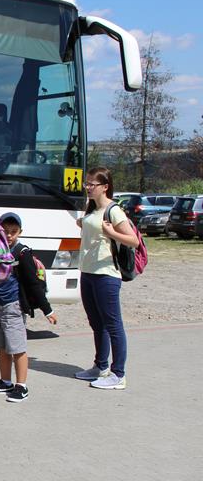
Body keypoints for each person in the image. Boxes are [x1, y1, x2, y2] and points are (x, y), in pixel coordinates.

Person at [0, 212, 58, 402]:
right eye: (5, 231)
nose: (8, 235)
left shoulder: (22, 253)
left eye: (13, 231)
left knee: (17, 348)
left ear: (20, 232)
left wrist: (47, 309)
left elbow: (33, 284)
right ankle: (5, 381)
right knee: (1, 347)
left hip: (14, 306)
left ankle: (21, 386)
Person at [75, 166, 138, 390]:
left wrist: (111, 233)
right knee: (96, 323)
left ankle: (118, 374)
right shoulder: (92, 209)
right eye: (87, 183)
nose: (88, 187)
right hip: (88, 272)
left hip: (106, 274)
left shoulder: (114, 210)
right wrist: (84, 222)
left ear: (105, 187)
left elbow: (133, 240)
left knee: (113, 324)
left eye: (92, 184)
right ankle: (100, 366)